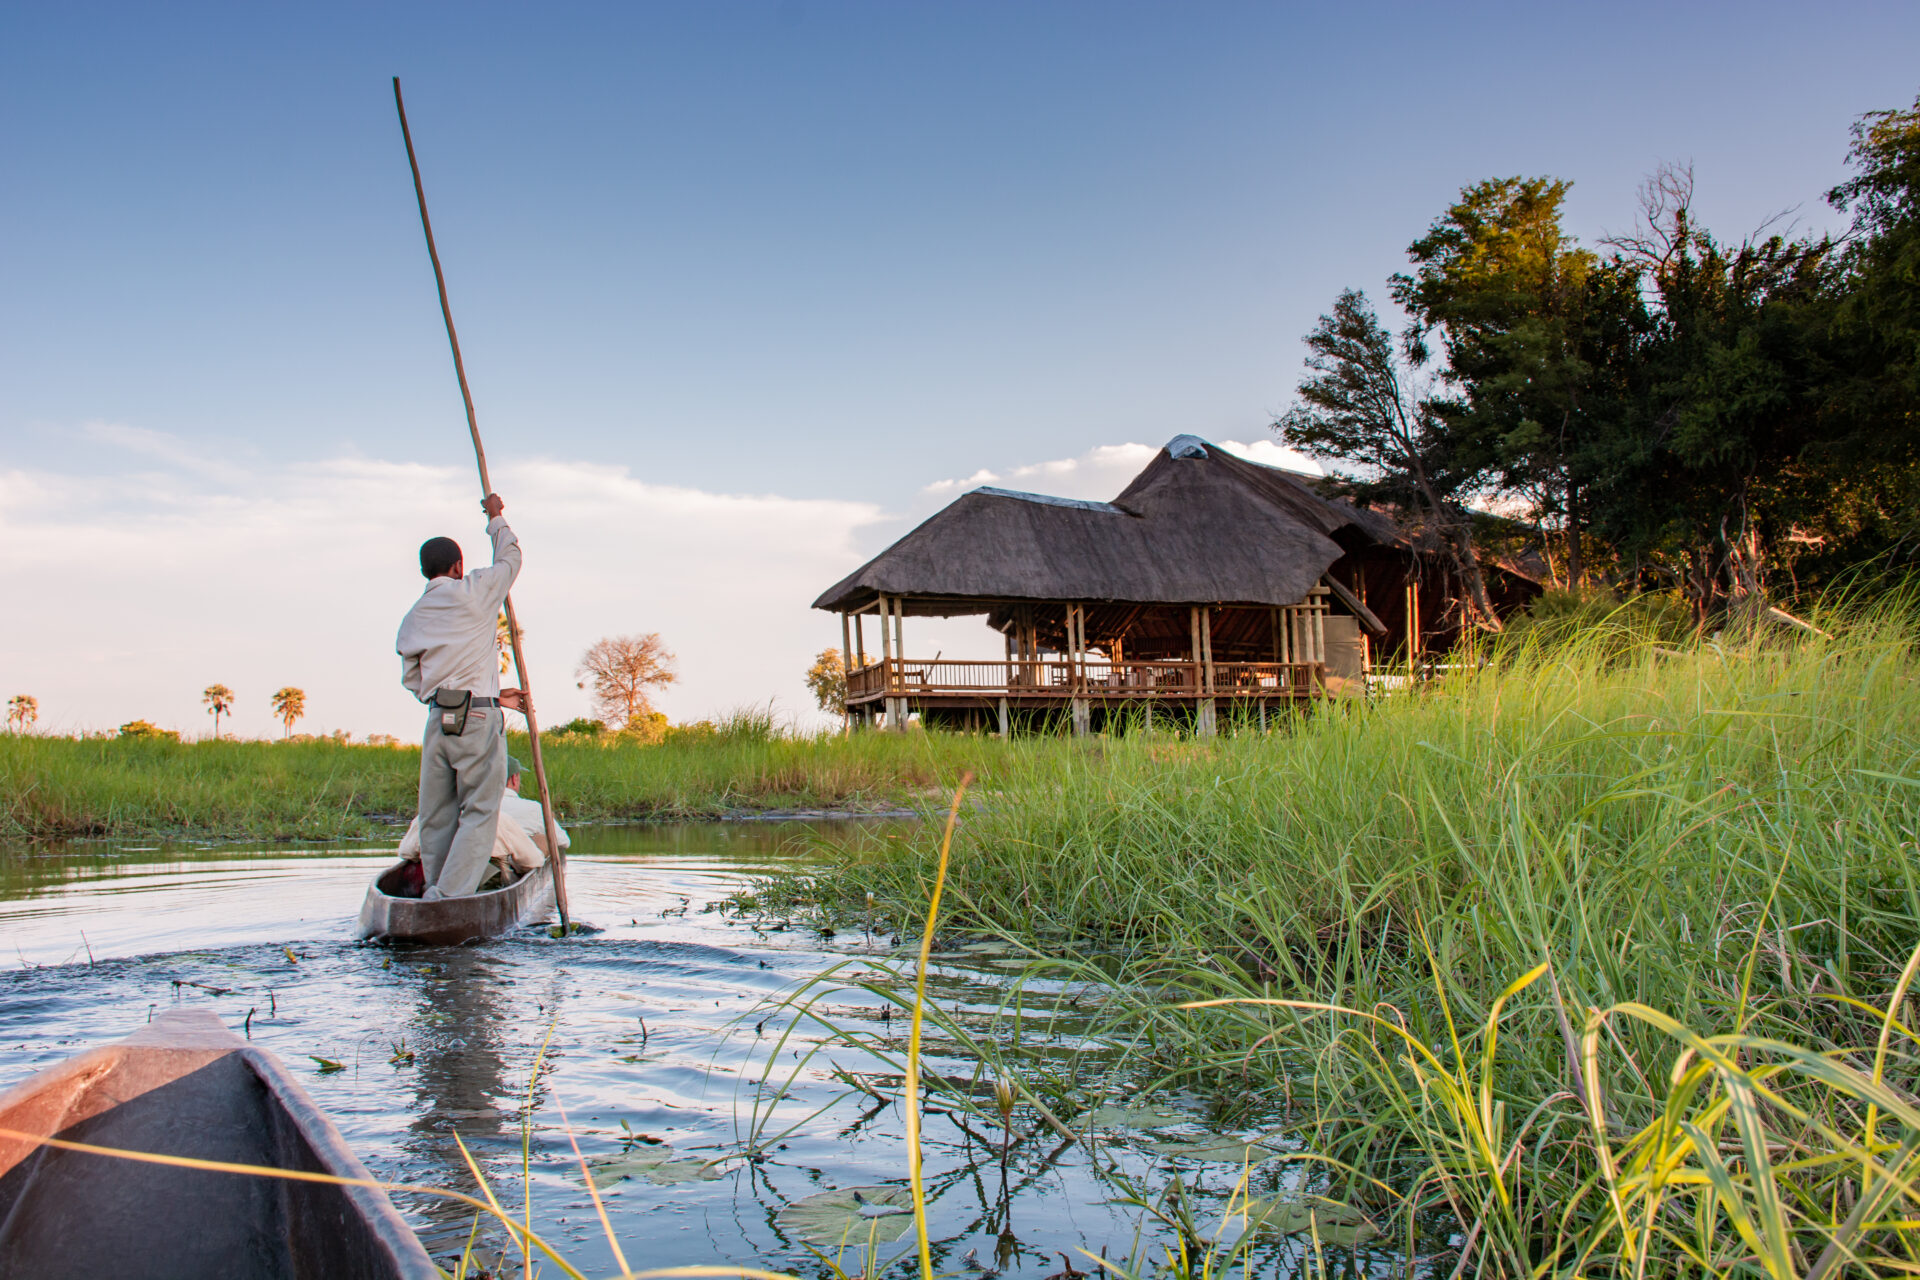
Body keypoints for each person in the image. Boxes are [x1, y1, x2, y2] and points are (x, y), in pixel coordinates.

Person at [396, 493, 526, 900]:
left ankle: (434, 891)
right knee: (480, 812)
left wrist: (445, 695)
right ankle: (447, 900)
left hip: (439, 718)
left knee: (436, 817)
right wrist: (496, 517)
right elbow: (511, 558)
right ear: (457, 567)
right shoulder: (476, 591)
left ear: (425, 572)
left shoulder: (415, 615)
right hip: (478, 719)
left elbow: (412, 676)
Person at [502, 755, 570, 855]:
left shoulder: (475, 807)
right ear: (514, 779)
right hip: (521, 864)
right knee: (544, 841)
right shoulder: (534, 808)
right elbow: (564, 842)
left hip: (487, 865)